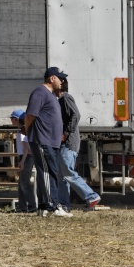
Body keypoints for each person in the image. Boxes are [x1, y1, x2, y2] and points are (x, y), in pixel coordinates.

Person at [24, 66, 72, 217]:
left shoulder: (52, 95)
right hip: (42, 140)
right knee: (46, 172)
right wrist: (28, 131)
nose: (62, 81)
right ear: (52, 78)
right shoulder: (40, 92)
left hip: (51, 141)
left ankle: (45, 207)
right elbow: (30, 115)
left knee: (50, 172)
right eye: (60, 78)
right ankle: (53, 206)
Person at [56, 78, 102, 212]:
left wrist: (65, 133)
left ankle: (91, 196)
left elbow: (76, 115)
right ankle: (64, 205)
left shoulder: (66, 98)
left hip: (68, 143)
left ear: (60, 86)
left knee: (68, 173)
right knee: (62, 176)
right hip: (65, 144)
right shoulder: (61, 100)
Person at [11, 109, 36, 213]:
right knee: (21, 183)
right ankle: (22, 207)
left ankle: (32, 206)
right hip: (25, 157)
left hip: (27, 158)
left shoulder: (22, 132)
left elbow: (27, 149)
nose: (11, 121)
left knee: (25, 183)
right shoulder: (22, 130)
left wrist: (22, 161)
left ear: (16, 119)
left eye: (12, 118)